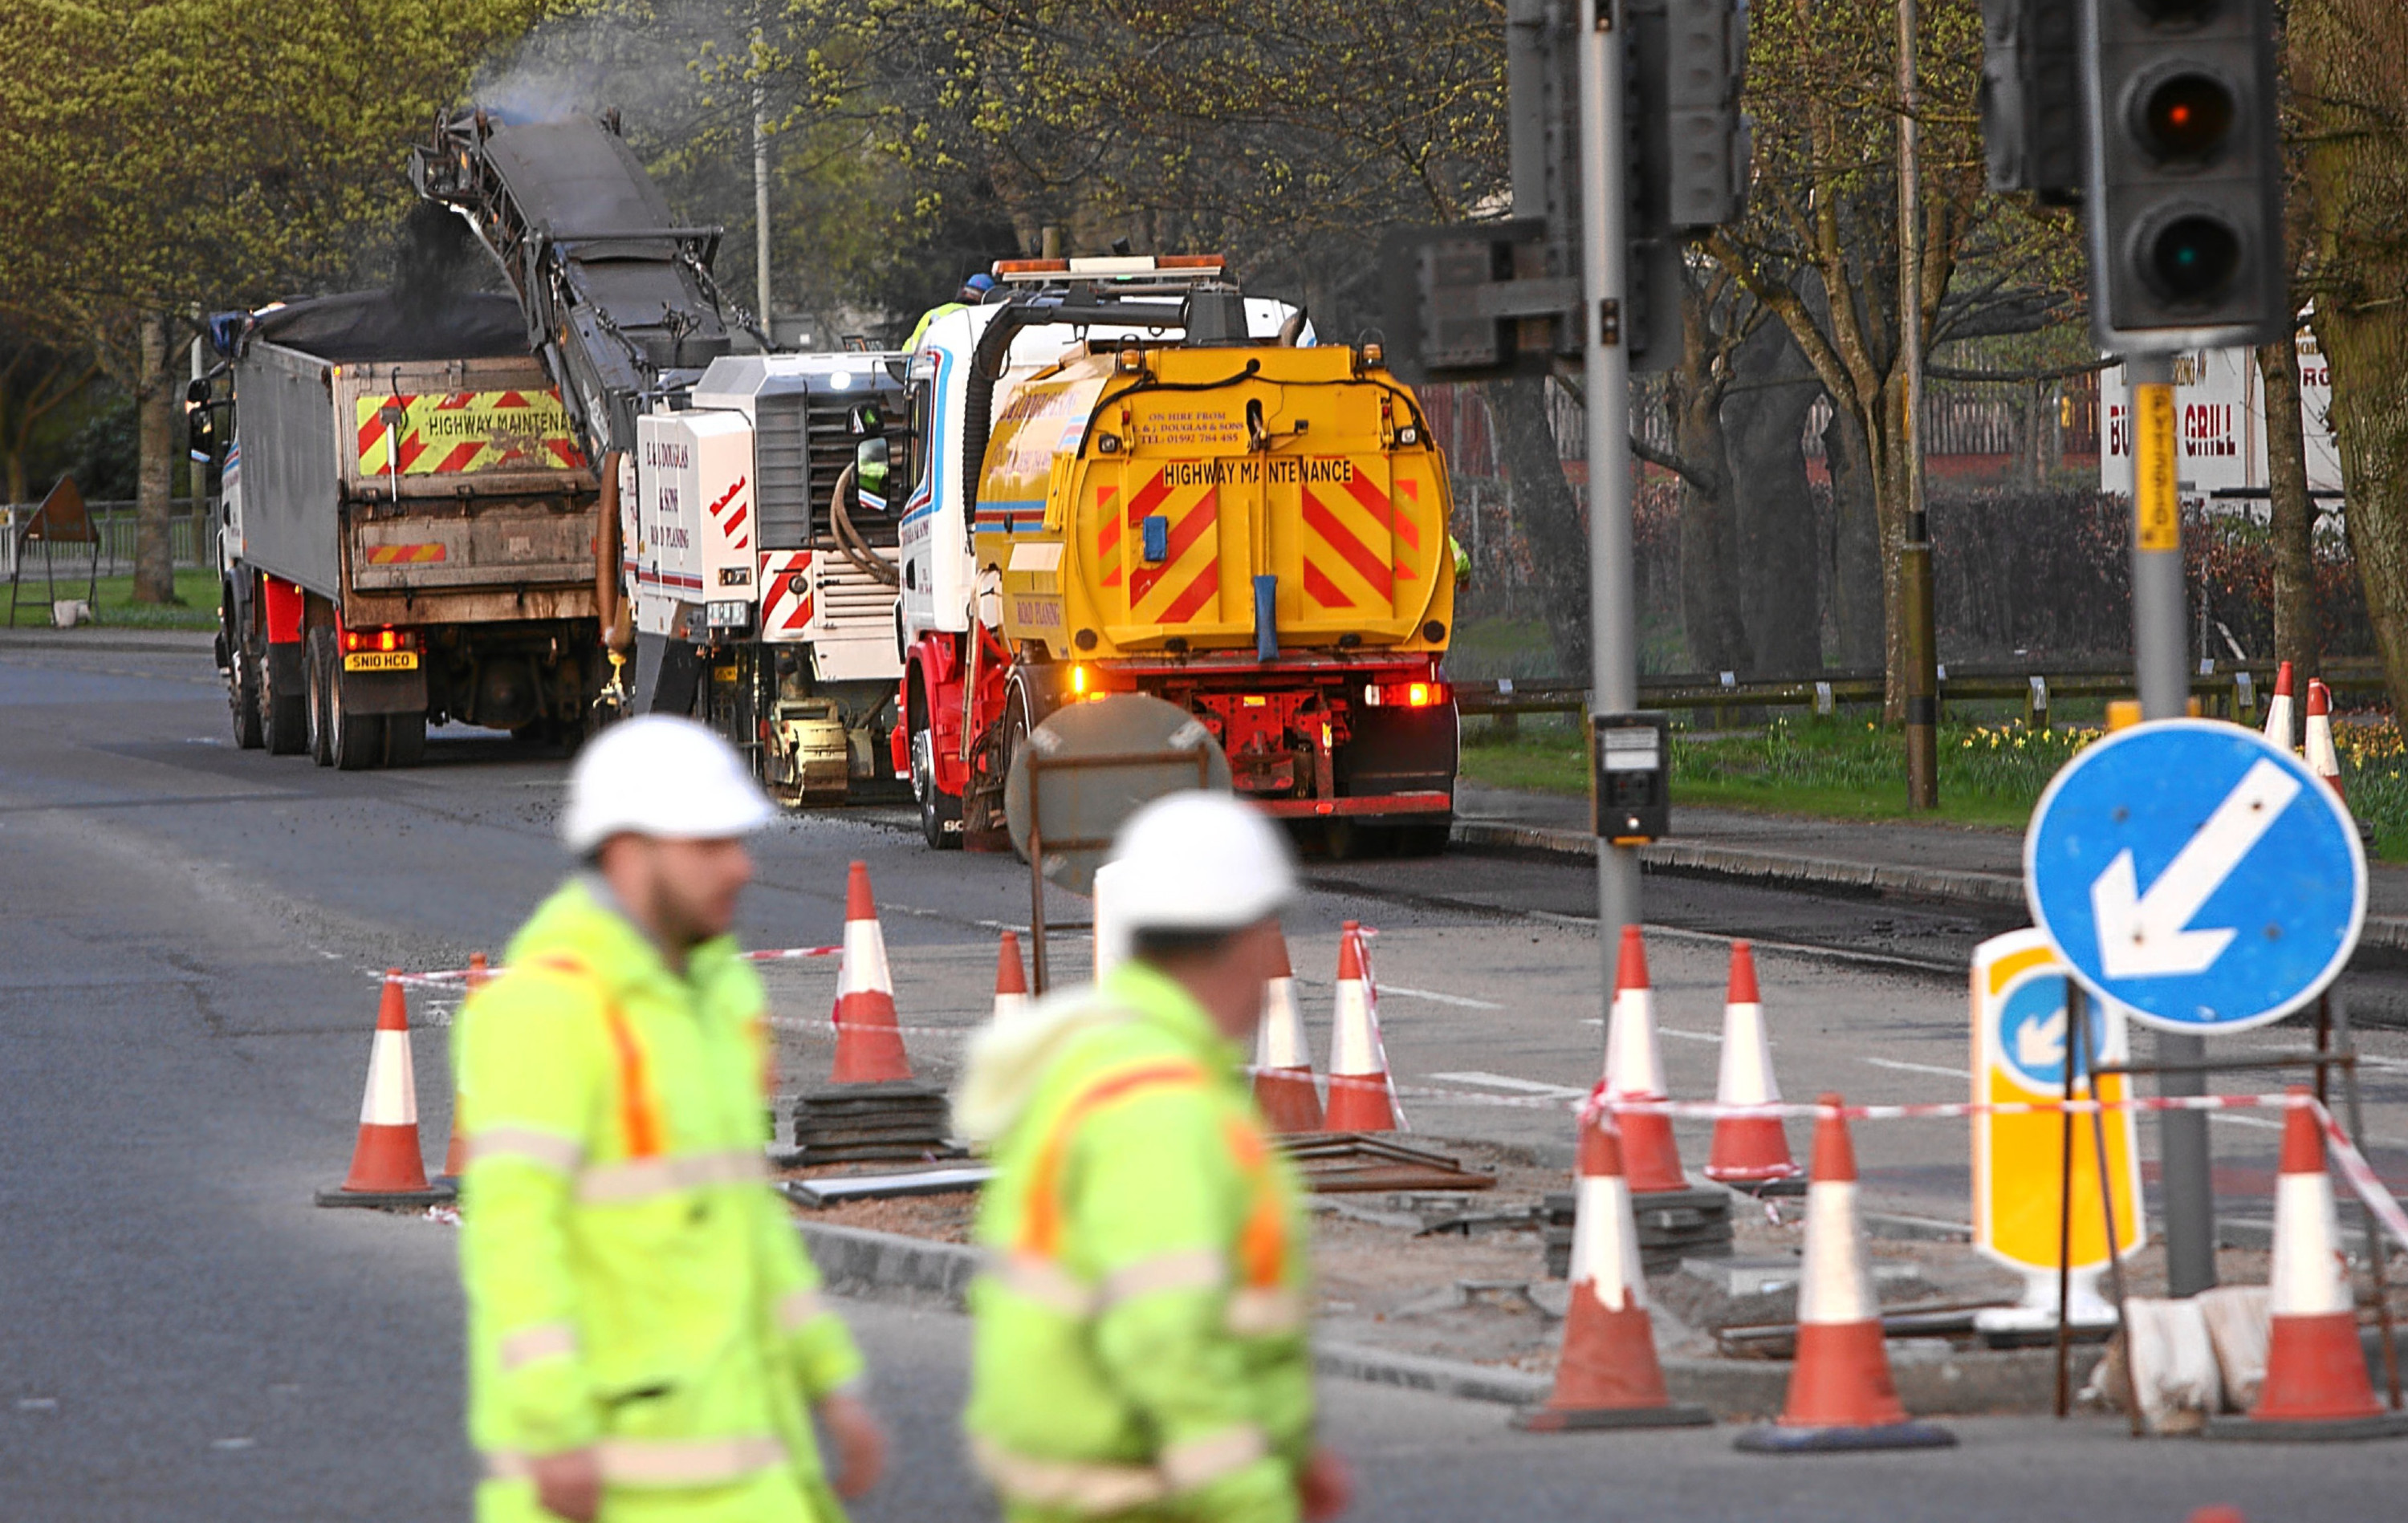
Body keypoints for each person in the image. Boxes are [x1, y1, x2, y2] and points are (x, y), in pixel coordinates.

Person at [452, 716, 886, 1523]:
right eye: (708, 844)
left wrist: (830, 1379)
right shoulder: (546, 1008)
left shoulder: (718, 996)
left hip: (748, 1478)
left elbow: (746, 1219)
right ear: (628, 852)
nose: (740, 864)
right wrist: (553, 1424)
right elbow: (514, 1238)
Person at [956, 791, 1352, 1523]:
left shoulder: (1108, 1066)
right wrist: (1256, 1497)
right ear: (1246, 942)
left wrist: (1292, 1456)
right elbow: (1171, 1343)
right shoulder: (1159, 1106)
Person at [906, 271, 998, 350]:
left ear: (964, 292)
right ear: (988, 298)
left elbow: (906, 353)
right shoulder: (984, 319)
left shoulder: (932, 314)